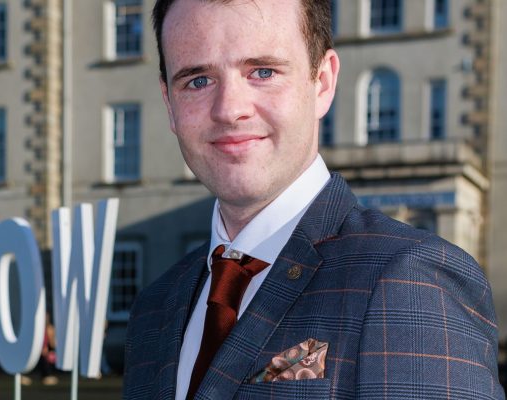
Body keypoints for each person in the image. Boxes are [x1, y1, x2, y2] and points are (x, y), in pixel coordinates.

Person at [123, 0, 504, 399]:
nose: (229, 109)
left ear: (322, 82)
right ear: (169, 103)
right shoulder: (154, 307)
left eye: (263, 72)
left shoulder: (409, 277)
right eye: (198, 80)